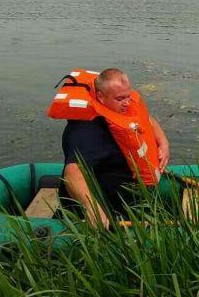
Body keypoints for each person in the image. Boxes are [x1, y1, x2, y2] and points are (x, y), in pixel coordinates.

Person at [59, 68, 169, 229]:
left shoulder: (122, 108)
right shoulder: (86, 132)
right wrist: (93, 210)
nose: (126, 103)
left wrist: (163, 142)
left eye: (128, 96)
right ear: (101, 97)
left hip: (130, 192)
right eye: (120, 98)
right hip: (107, 206)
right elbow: (72, 172)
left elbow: (147, 120)